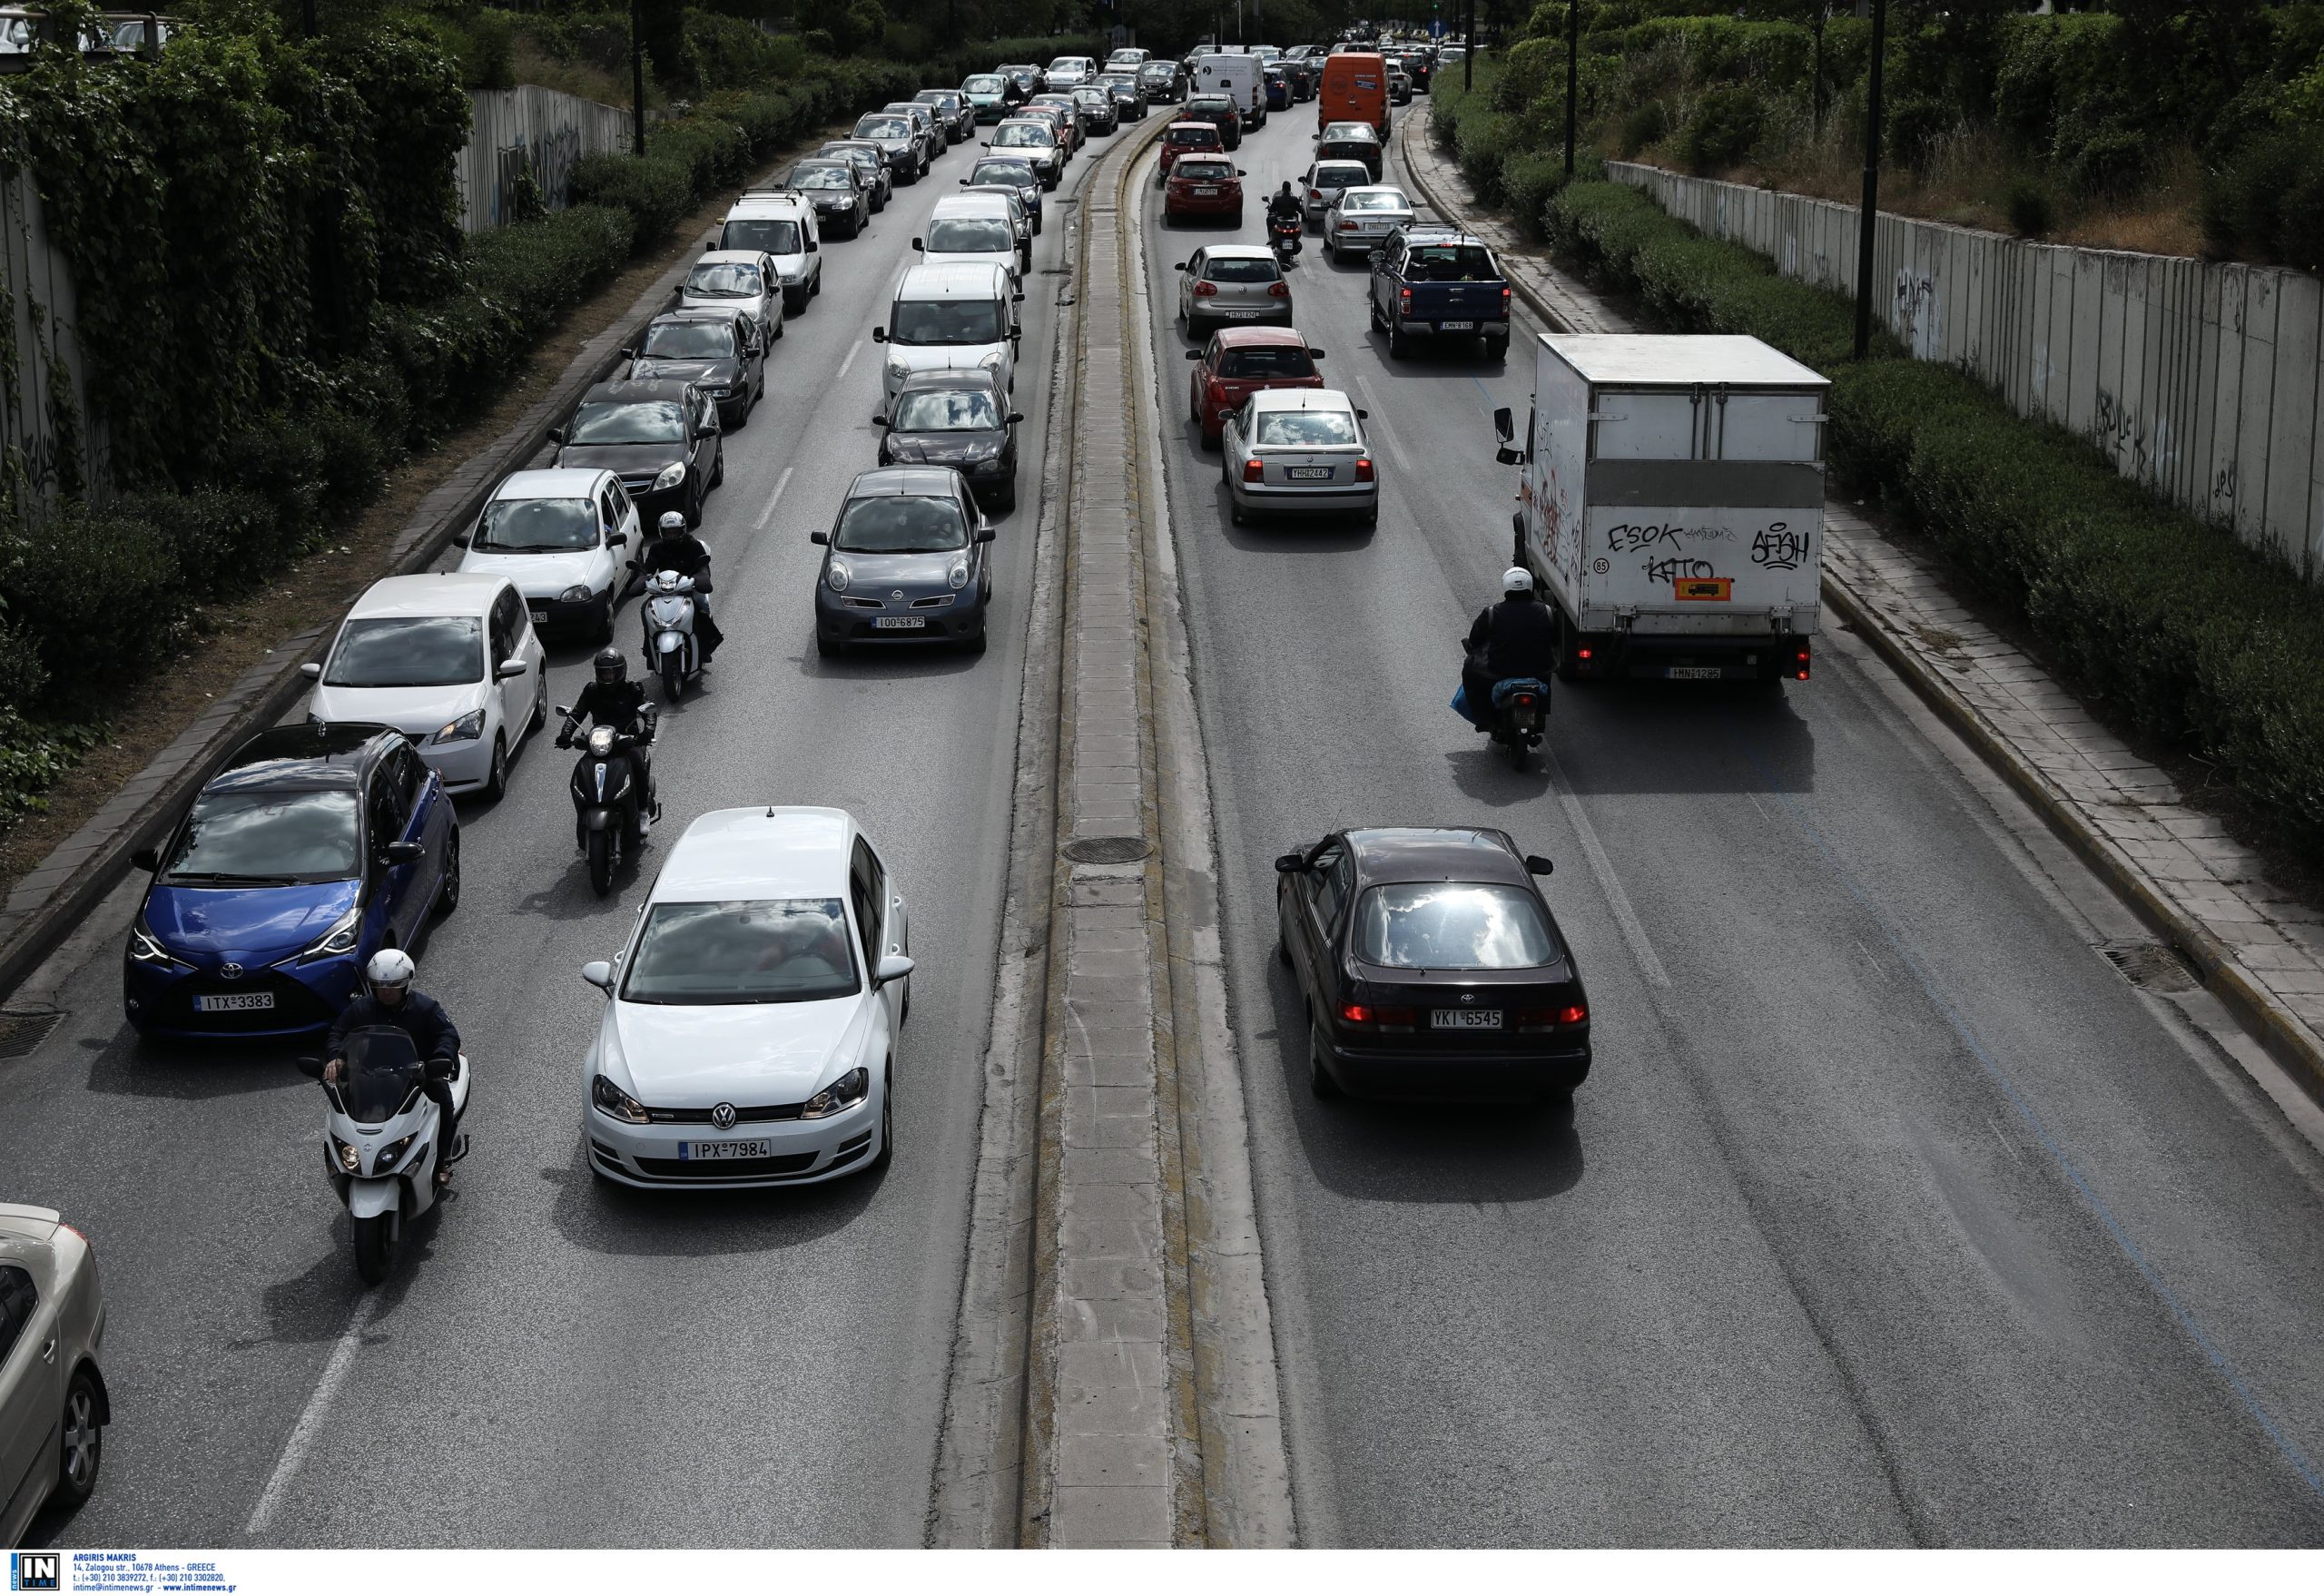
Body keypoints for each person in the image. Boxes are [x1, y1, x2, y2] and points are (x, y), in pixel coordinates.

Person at [324, 950, 465, 1187]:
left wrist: (439, 1059)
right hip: (373, 1073)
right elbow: (338, 1033)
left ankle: (441, 1160)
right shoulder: (362, 1008)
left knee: (444, 1104)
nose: (386, 991)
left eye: (393, 985)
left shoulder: (426, 1008)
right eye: (379, 985)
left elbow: (447, 1035)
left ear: (406, 984)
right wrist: (335, 1057)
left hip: (419, 1074)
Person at [557, 647, 660, 820]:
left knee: (638, 768)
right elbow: (577, 713)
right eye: (604, 673)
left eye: (612, 673)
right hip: (601, 741)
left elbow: (649, 711)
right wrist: (565, 734)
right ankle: (583, 811)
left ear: (621, 671)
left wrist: (648, 732)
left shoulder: (633, 689)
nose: (608, 677)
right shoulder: (591, 690)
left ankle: (642, 811)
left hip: (628, 740)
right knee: (580, 772)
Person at [1459, 566, 1558, 730]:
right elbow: (1555, 640)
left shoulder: (1491, 613)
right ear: (1530, 586)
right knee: (1548, 672)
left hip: (1499, 671)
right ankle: (1543, 710)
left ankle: (1484, 719)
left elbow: (1475, 640)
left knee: (1469, 671)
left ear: (1506, 587)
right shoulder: (1548, 612)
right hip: (1539, 671)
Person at [639, 510, 724, 660]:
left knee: (702, 605)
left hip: (690, 587)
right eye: (668, 532)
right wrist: (641, 577)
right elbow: (649, 567)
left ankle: (705, 645)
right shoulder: (657, 548)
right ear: (661, 532)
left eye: (675, 531)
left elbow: (703, 567)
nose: (671, 535)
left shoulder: (693, 544)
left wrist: (701, 577)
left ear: (682, 530)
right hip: (665, 589)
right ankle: (649, 645)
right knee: (645, 609)